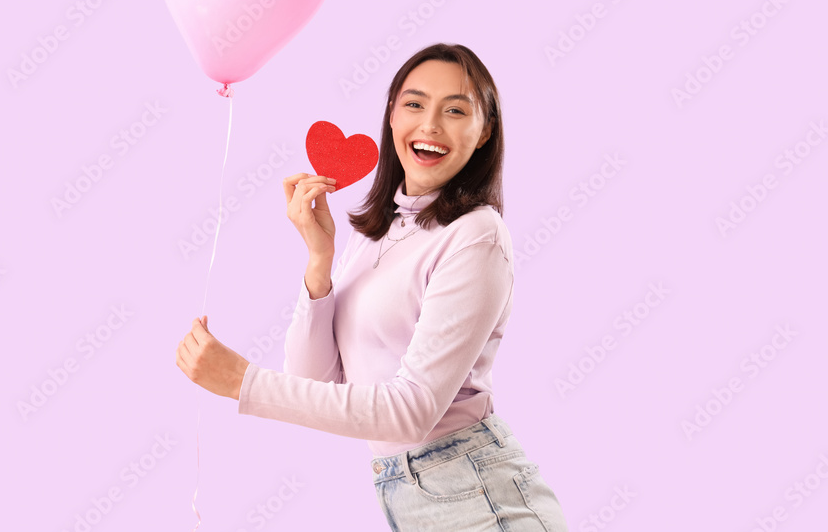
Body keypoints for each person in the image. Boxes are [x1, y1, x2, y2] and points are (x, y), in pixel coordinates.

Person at [176, 43, 568, 530]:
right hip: (411, 495)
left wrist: (242, 381)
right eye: (415, 104)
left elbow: (411, 412)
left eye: (455, 110)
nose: (429, 125)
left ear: (484, 131)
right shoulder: (376, 232)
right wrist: (319, 263)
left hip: (478, 496)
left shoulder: (476, 236)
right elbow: (315, 382)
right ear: (391, 113)